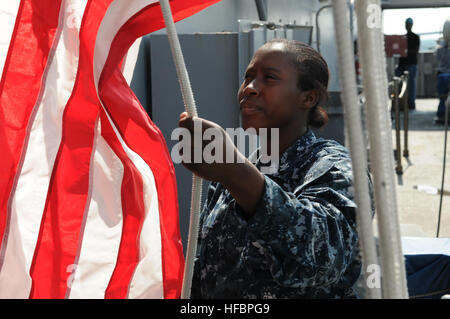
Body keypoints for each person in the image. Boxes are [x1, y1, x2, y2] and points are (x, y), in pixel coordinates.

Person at [178, 39, 371, 298]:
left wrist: (236, 173)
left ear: (308, 97)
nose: (249, 88)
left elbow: (324, 257)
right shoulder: (229, 175)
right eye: (248, 77)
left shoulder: (336, 168)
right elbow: (200, 269)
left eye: (269, 78)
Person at [395, 18, 420, 110]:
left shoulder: (415, 37)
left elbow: (415, 50)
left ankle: (411, 102)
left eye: (408, 24)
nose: (407, 26)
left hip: (411, 63)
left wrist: (405, 51)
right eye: (406, 24)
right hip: (402, 64)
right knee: (398, 82)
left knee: (411, 83)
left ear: (411, 25)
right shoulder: (402, 38)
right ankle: (399, 102)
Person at [435, 20, 450, 125]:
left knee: (442, 97)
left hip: (442, 74)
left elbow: (438, 57)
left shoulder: (440, 47)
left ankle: (441, 116)